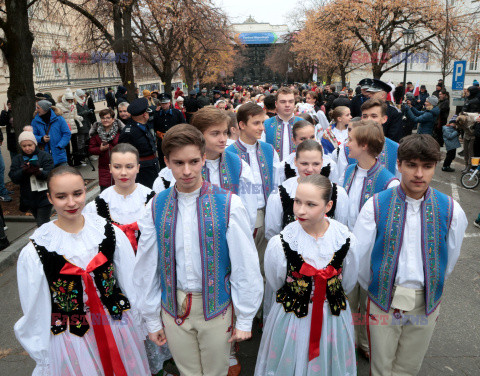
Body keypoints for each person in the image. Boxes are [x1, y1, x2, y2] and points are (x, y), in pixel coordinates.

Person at [134, 124, 263, 376]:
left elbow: (244, 264)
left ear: (204, 158)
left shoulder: (228, 204)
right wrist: (151, 318)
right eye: (178, 162)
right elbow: (147, 266)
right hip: (173, 305)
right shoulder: (155, 205)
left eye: (194, 161)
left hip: (215, 305)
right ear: (167, 162)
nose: (187, 171)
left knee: (216, 371)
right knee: (188, 372)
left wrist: (245, 317)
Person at [14, 165, 150, 375]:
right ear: (50, 198)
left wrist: (143, 321)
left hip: (117, 325)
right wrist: (42, 352)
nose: (71, 202)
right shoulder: (37, 250)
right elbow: (36, 308)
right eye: (61, 196)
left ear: (85, 191)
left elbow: (131, 281)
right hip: (72, 335)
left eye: (77, 194)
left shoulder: (108, 232)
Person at [354, 134, 467, 376]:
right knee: (381, 367)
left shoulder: (450, 209)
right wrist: (378, 287)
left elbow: (450, 257)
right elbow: (360, 259)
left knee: (408, 367)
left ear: (434, 167)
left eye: (427, 166)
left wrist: (431, 285)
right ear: (399, 164)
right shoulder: (375, 205)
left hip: (424, 302)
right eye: (412, 165)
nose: (419, 174)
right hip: (384, 299)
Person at [255, 174, 358, 375]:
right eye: (297, 202)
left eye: (311, 204)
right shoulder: (282, 242)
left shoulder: (345, 240)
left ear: (328, 206)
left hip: (332, 316)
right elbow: (276, 282)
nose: (300, 210)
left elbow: (349, 281)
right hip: (292, 316)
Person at [83, 143, 171, 375]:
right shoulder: (97, 206)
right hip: (117, 279)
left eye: (129, 166)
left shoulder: (152, 199)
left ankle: (158, 367)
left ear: (138, 168)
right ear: (109, 168)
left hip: (151, 272)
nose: (123, 173)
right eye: (118, 166)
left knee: (153, 320)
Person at [227, 102, 280, 275]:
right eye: (256, 123)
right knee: (247, 265)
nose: (262, 128)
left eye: (263, 123)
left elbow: (277, 183)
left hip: (268, 213)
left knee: (266, 265)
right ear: (242, 125)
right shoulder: (229, 154)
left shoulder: (269, 150)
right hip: (243, 216)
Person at [265, 139, 348, 240]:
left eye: (315, 164)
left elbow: (341, 230)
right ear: (295, 161)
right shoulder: (280, 194)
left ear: (322, 162)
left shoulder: (338, 193)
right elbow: (272, 233)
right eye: (304, 164)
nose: (310, 169)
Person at [8, 131, 54, 226]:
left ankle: (45, 239)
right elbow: (14, 178)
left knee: (42, 224)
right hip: (29, 198)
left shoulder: (44, 156)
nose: (27, 148)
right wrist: (23, 172)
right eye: (24, 146)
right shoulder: (17, 159)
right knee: (40, 222)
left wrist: (38, 172)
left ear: (35, 143)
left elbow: (50, 175)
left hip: (44, 197)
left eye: (30, 145)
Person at [277, 120, 337, 184]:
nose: (308, 141)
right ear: (294, 140)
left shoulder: (329, 164)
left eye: (312, 137)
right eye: (303, 139)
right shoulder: (285, 165)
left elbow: (335, 188)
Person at [119, 98, 160, 188]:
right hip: (142, 172)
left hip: (152, 166)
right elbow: (123, 155)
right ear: (145, 114)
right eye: (148, 112)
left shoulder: (144, 125)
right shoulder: (129, 132)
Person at [88, 108, 125, 191]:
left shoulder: (120, 132)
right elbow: (91, 149)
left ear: (113, 119)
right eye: (103, 118)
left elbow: (127, 147)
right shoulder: (96, 134)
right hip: (104, 168)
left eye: (108, 118)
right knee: (105, 192)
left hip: (120, 166)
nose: (105, 120)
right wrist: (100, 149)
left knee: (120, 191)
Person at [262, 87, 303, 161]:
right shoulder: (266, 125)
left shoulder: (303, 124)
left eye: (290, 101)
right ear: (276, 104)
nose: (287, 105)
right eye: (283, 102)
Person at [31, 100, 71, 167]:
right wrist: (41, 139)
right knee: (49, 177)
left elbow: (67, 134)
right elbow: (32, 136)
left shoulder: (59, 119)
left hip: (59, 156)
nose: (36, 110)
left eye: (38, 108)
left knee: (63, 176)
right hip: (44, 157)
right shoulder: (35, 121)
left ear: (45, 109)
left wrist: (60, 145)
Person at [154, 93, 185, 169]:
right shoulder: (157, 114)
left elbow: (183, 126)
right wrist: (157, 133)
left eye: (165, 103)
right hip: (162, 141)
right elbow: (154, 126)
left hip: (175, 140)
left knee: (176, 159)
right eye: (162, 103)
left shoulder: (177, 113)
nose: (164, 105)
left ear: (169, 103)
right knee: (163, 161)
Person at [57, 88, 84, 166]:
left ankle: (77, 161)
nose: (70, 101)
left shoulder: (73, 105)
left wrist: (78, 118)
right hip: (65, 128)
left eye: (71, 100)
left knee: (75, 145)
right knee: (67, 147)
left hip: (73, 127)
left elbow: (75, 115)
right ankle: (69, 162)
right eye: (68, 100)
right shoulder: (59, 105)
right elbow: (58, 117)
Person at [75, 89, 93, 164]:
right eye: (81, 96)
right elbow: (75, 114)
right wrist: (83, 113)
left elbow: (86, 109)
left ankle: (88, 155)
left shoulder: (83, 103)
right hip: (80, 124)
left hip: (87, 123)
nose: (83, 98)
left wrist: (89, 111)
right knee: (81, 141)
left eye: (83, 96)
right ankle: (82, 157)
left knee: (87, 139)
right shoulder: (76, 104)